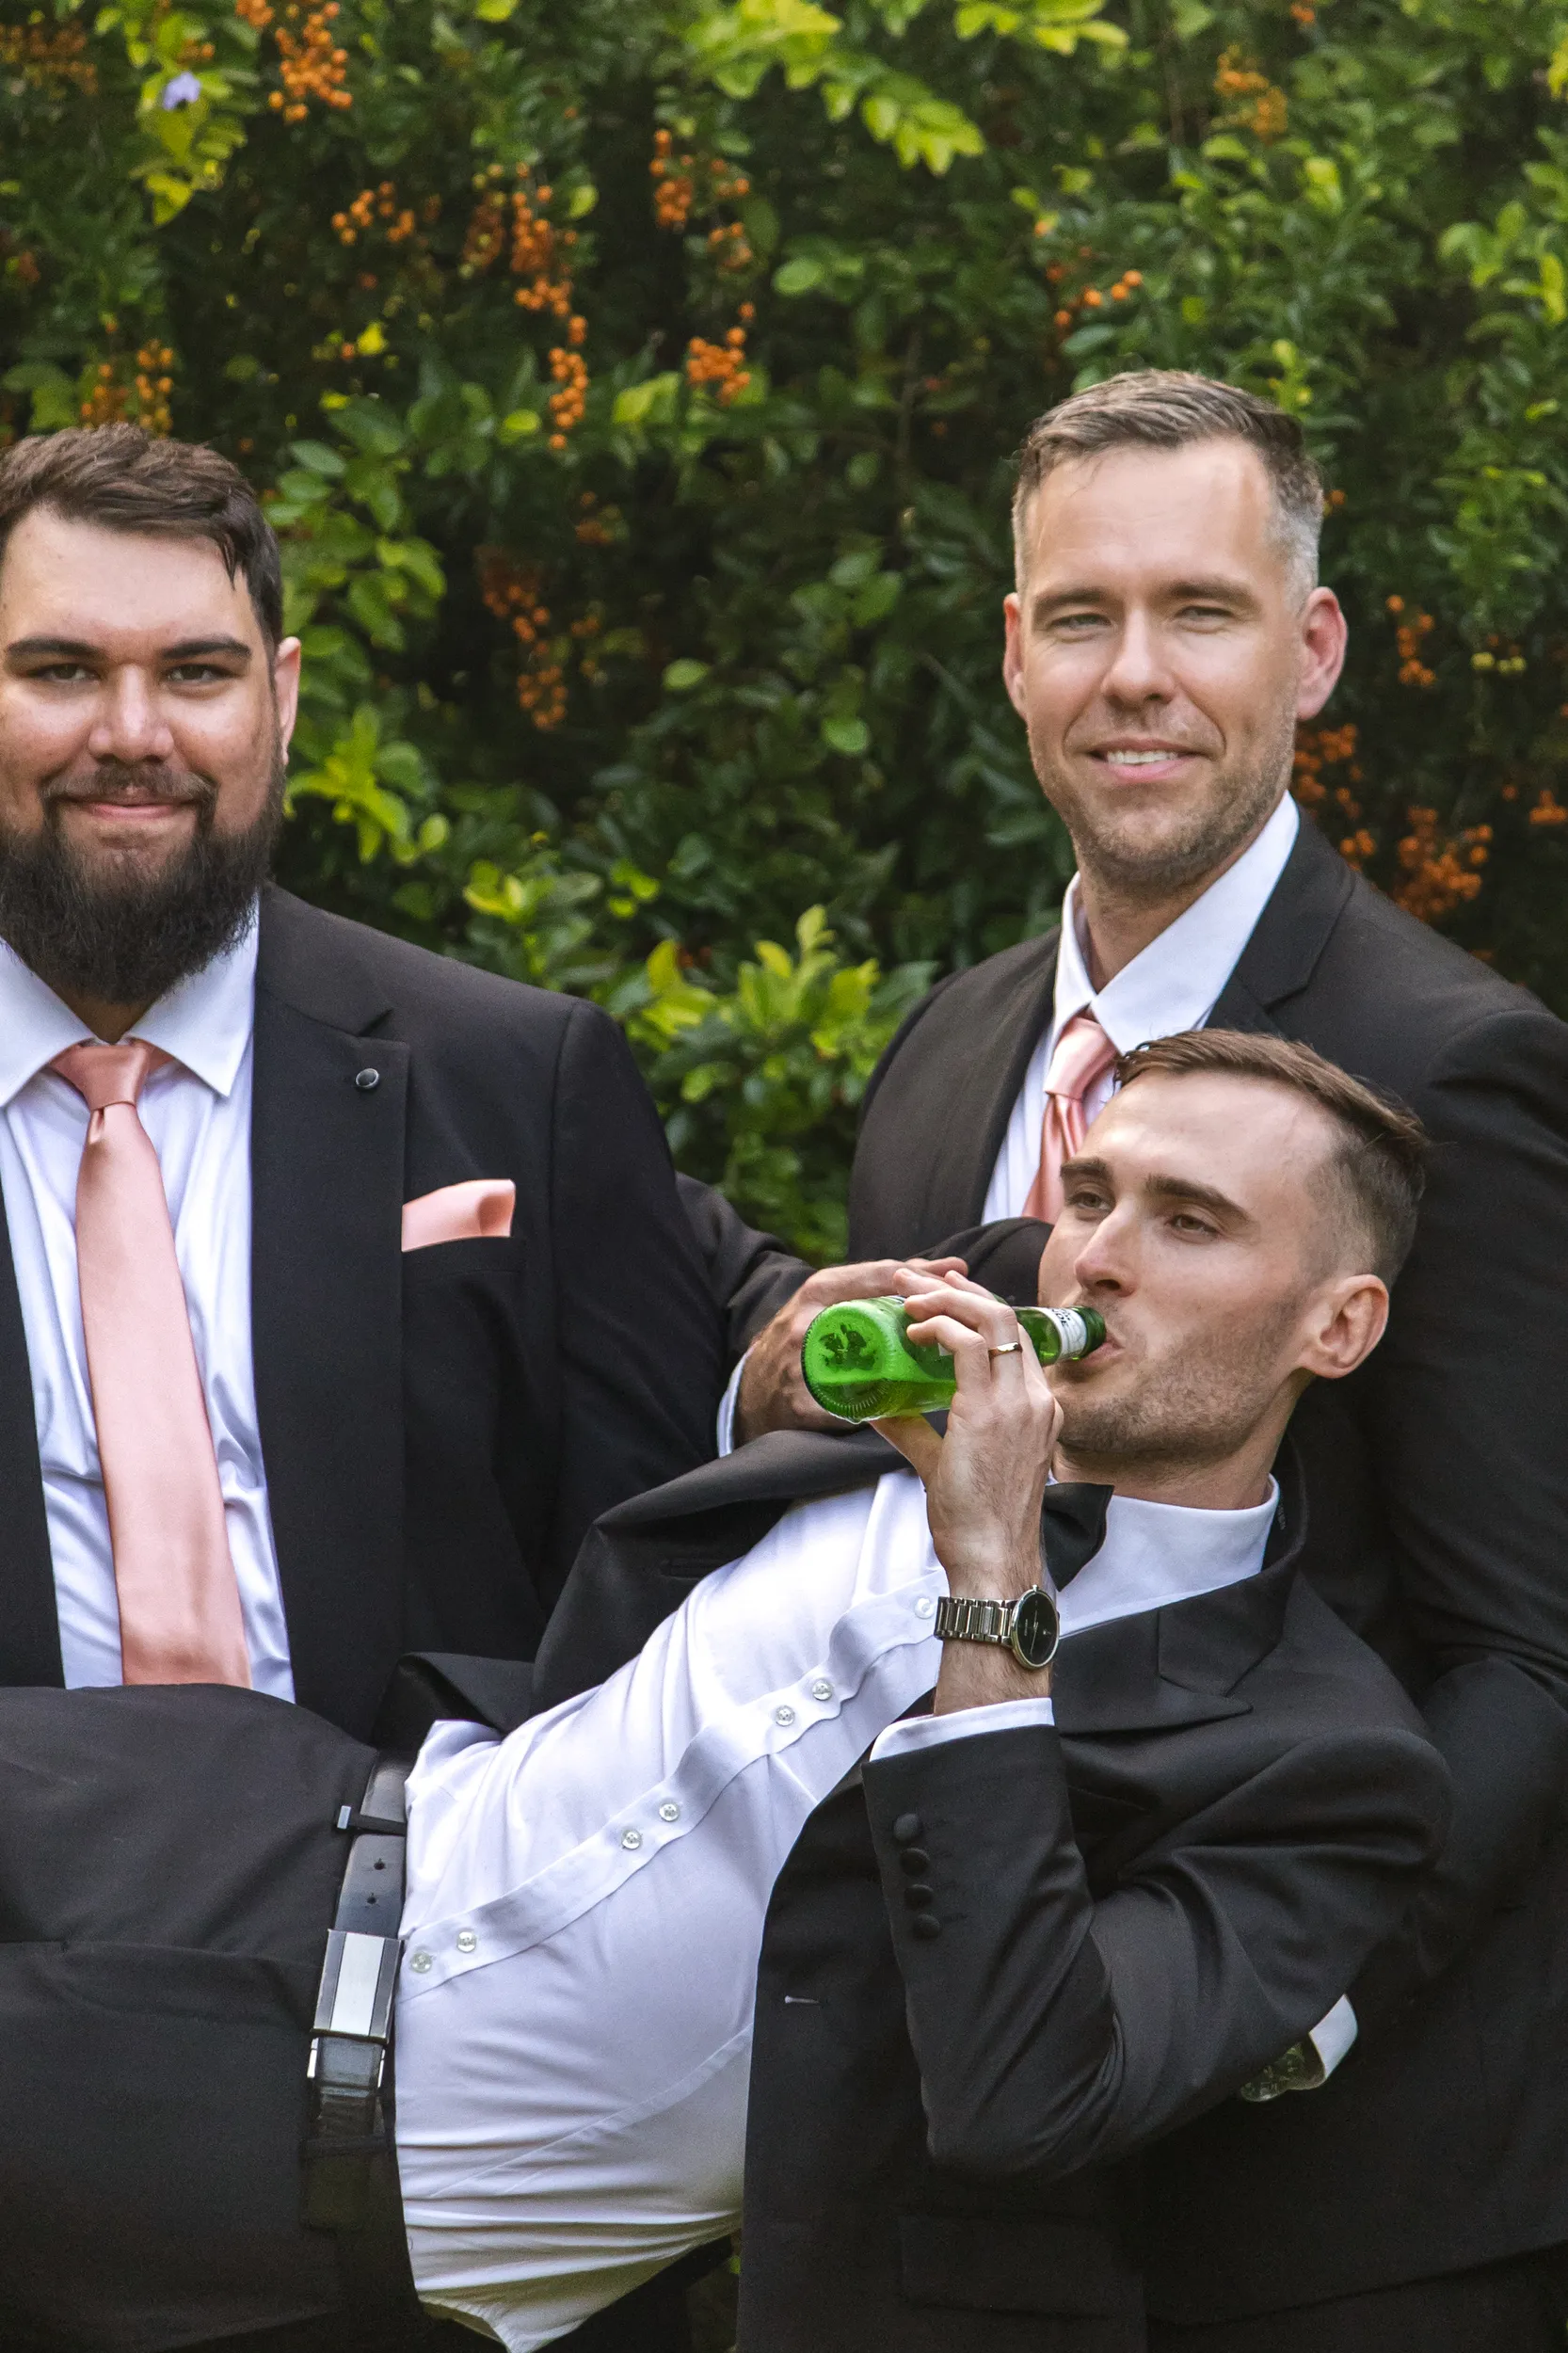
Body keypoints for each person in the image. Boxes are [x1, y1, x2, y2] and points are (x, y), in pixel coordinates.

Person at [0, 1035, 1447, 2353]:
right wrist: (755, 1389)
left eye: (1188, 1223)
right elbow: (635, 1251)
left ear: (1336, 1326)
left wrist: (992, 1578)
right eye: (1088, 1197)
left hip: (324, 2161)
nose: (1096, 1262)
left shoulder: (1317, 1765)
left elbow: (1029, 2092)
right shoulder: (940, 1354)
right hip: (242, 1815)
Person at [728, 371, 1568, 2348]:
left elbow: (1528, 1648)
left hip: (1333, 2202)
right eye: (1080, 617)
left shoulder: (1456, 1066)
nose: (1135, 677)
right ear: (1013, 655)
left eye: (1199, 611)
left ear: (1310, 649)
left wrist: (1297, 2006)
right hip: (956, 2169)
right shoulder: (950, 1047)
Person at [0, 422, 726, 1737]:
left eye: (196, 672)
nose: (132, 732)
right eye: (60, 670)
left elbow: (657, 1619)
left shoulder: (525, 1085)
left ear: (280, 702)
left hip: (431, 1855)